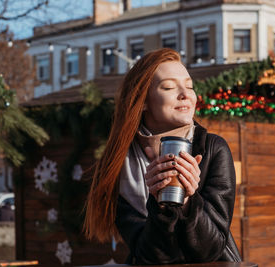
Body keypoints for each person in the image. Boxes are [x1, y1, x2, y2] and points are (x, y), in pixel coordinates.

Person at [84, 48, 241, 264]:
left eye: (189, 86)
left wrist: (187, 201)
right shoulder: (119, 165)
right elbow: (149, 255)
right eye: (168, 87)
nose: (186, 94)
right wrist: (159, 207)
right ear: (144, 101)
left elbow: (210, 251)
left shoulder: (214, 149)